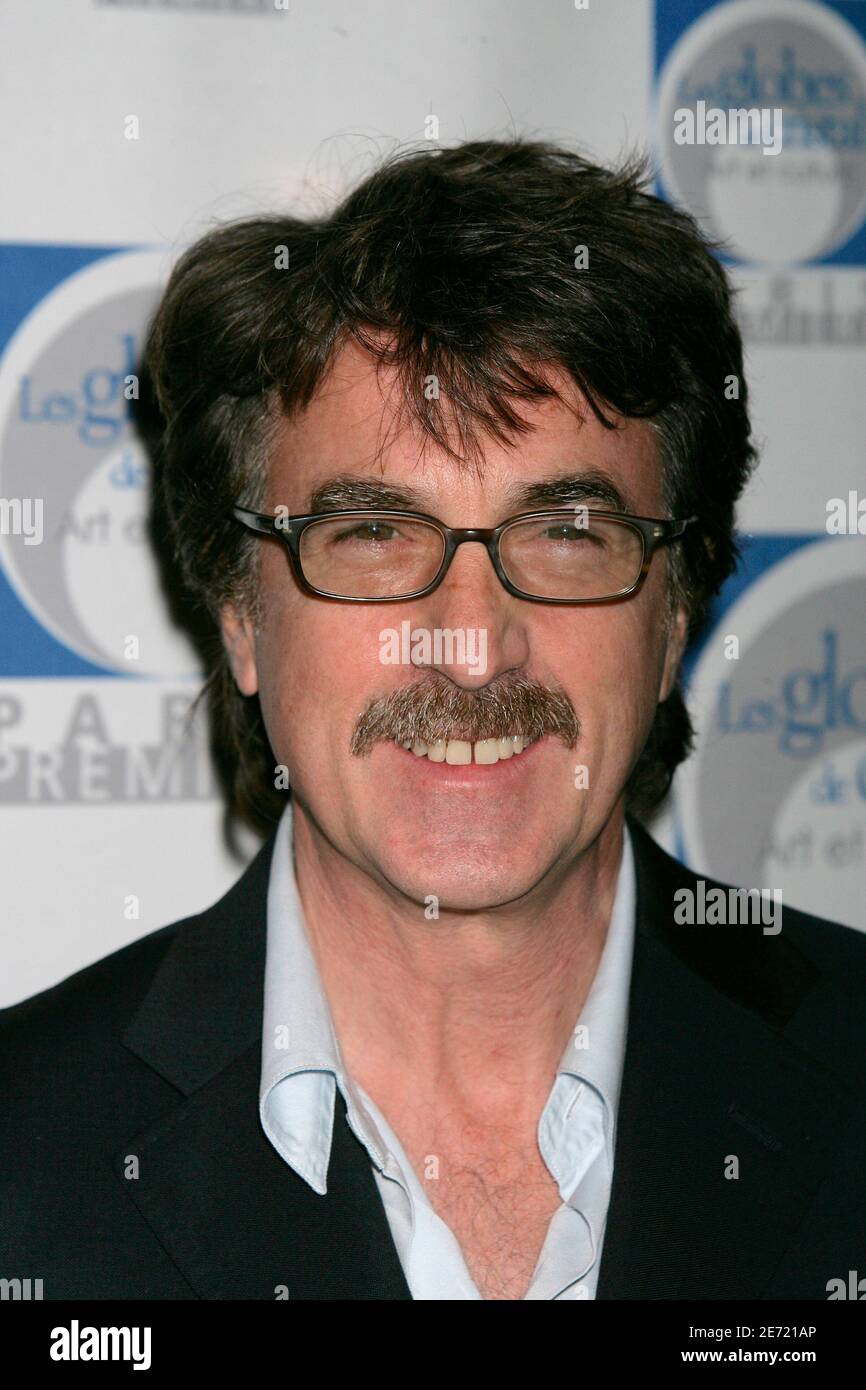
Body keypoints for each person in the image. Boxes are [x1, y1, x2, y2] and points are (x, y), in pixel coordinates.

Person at [2, 139, 864, 1301]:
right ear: (241, 616)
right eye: (372, 534)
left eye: (565, 532)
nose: (471, 643)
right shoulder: (24, 1152)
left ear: (672, 614)